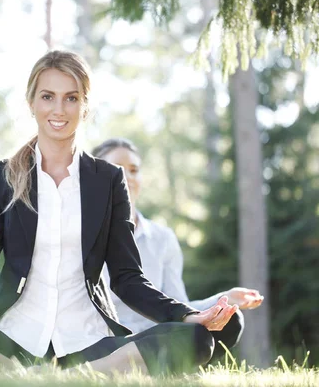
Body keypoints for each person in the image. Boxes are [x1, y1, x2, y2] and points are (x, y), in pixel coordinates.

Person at [0, 50, 238, 375]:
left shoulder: (108, 180)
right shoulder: (0, 177)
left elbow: (128, 279)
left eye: (71, 98)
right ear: (32, 103)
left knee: (197, 338)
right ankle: (23, 373)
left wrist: (189, 315)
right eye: (48, 97)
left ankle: (77, 374)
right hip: (11, 336)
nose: (59, 110)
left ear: (85, 106)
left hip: (90, 339)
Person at [92, 137, 264, 362]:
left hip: (155, 336)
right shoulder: (84, 234)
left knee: (231, 320)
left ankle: (156, 365)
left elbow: (178, 305)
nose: (126, 177)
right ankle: (143, 365)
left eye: (133, 170)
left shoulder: (163, 239)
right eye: (116, 169)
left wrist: (222, 301)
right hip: (105, 342)